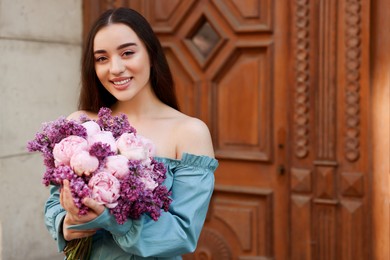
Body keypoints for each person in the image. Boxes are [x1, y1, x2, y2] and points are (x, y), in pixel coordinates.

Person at [44, 7, 218, 259]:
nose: (115, 68)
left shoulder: (189, 132)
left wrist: (112, 219)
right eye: (102, 58)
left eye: (127, 53)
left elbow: (182, 234)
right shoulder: (81, 124)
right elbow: (53, 203)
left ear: (150, 53)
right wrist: (67, 223)